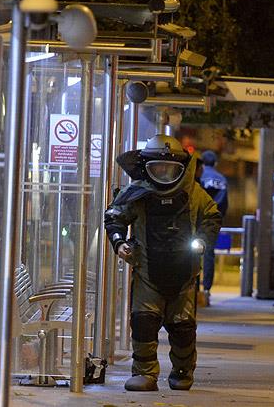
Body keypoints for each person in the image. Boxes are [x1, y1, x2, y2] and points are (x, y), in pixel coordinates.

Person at [105, 135, 222, 392]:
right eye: (158, 169)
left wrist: (203, 240)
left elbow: (212, 216)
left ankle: (182, 371)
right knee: (144, 322)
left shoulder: (194, 194)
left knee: (183, 327)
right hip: (147, 271)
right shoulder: (136, 193)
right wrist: (119, 242)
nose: (164, 175)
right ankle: (144, 373)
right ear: (147, 167)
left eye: (170, 170)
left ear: (181, 168)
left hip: (185, 273)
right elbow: (114, 217)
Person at [197, 149, 227, 307]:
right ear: (215, 163)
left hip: (195, 221)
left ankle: (193, 286)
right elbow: (223, 204)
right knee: (208, 254)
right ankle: (207, 288)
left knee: (190, 254)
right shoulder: (221, 179)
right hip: (211, 223)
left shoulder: (198, 176)